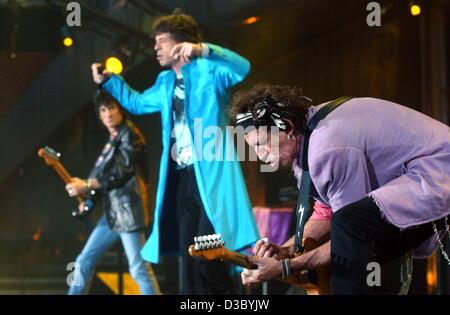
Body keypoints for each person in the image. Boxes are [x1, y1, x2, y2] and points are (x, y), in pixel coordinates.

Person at [90, 13, 259, 294]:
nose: (156, 48)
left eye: (162, 41)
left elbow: (242, 67)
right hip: (181, 178)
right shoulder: (165, 81)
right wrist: (110, 81)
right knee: (188, 254)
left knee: (212, 252)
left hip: (212, 177)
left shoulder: (209, 69)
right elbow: (138, 103)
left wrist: (204, 49)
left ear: (182, 44)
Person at [230, 83, 450, 294]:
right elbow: (327, 211)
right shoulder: (310, 134)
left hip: (440, 171)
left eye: (261, 143)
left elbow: (349, 232)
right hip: (427, 173)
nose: (259, 155)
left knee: (350, 229)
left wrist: (289, 266)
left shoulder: (326, 147)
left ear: (286, 126)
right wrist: (285, 251)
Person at [66, 91, 160, 295]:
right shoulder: (113, 139)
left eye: (111, 108)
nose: (107, 114)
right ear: (99, 116)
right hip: (112, 213)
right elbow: (105, 178)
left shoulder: (130, 134)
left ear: (120, 110)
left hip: (128, 211)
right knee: (84, 260)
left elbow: (122, 172)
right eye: (103, 110)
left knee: (138, 268)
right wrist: (88, 197)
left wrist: (87, 184)